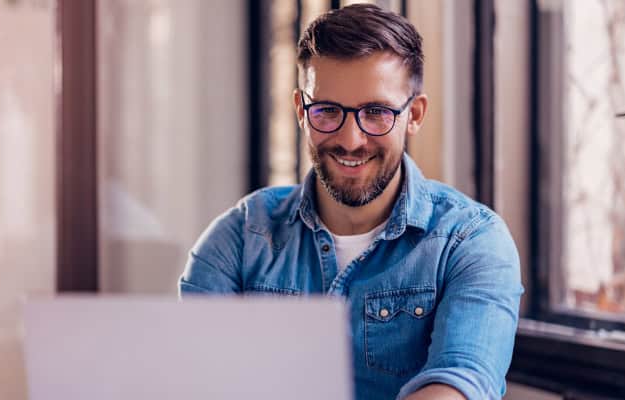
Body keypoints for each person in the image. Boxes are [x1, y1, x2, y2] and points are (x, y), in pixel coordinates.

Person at [179, 4, 523, 400]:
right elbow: (193, 377)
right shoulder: (238, 239)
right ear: (301, 110)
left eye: (376, 113)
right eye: (327, 111)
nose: (350, 139)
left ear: (414, 115)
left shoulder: (471, 240)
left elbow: (461, 382)